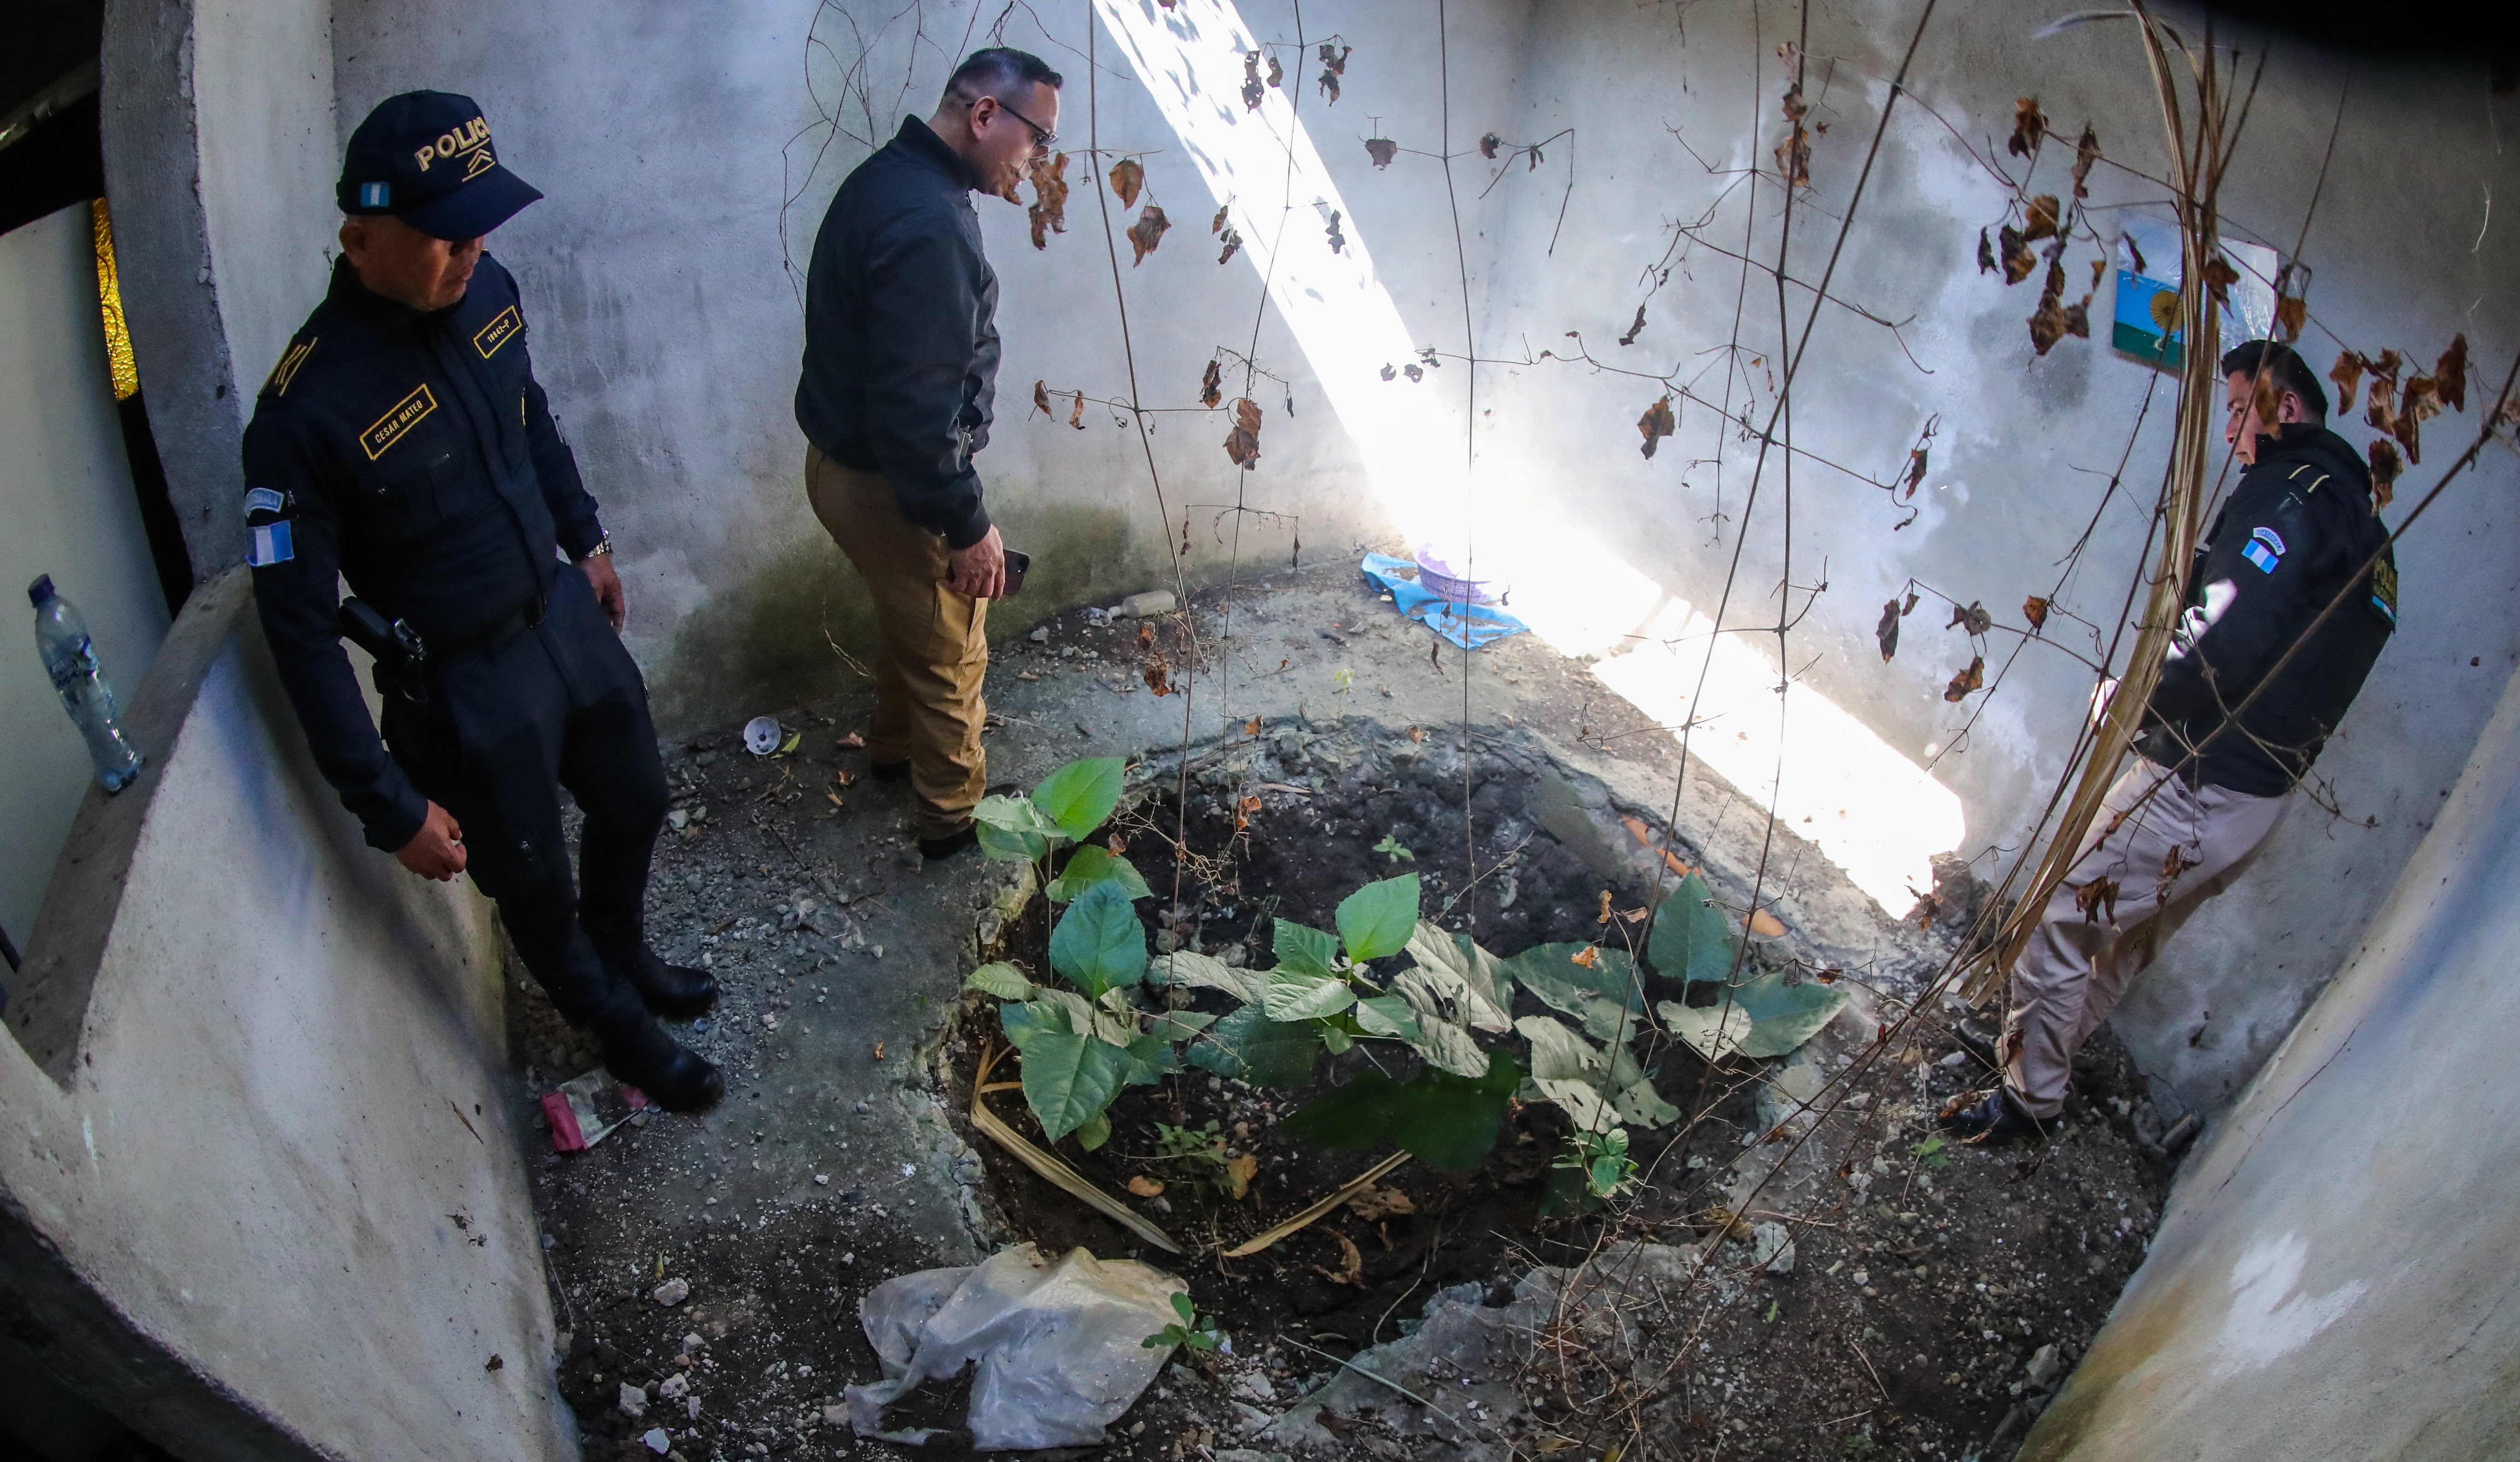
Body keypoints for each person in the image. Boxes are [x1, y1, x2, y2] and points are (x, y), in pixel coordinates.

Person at [242, 92, 721, 1111]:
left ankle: (626, 953)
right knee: (534, 890)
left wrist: (585, 537)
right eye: (444, 234)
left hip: (559, 618)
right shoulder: (302, 416)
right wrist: (389, 806)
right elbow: (298, 632)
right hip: (467, 688)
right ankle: (625, 1035)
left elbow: (532, 420)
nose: (471, 250)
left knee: (635, 795)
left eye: (480, 224)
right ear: (360, 236)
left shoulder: (487, 289)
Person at [1942, 339, 2397, 1146]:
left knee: (2058, 922)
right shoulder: (2366, 533)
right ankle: (2036, 1069)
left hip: (2195, 776)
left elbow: (2227, 624)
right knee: (2121, 945)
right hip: (2255, 799)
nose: (2229, 433)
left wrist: (2138, 698)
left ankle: (2028, 1102)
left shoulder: (2289, 491)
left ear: (2283, 408)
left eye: (2235, 409)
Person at [793, 48, 1061, 860]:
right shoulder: (929, 221)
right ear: (985, 116)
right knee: (953, 647)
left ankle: (891, 754)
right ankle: (952, 825)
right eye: (1037, 138)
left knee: (912, 618)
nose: (1038, 160)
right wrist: (967, 523)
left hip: (845, 468)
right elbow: (916, 414)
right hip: (892, 482)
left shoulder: (895, 180)